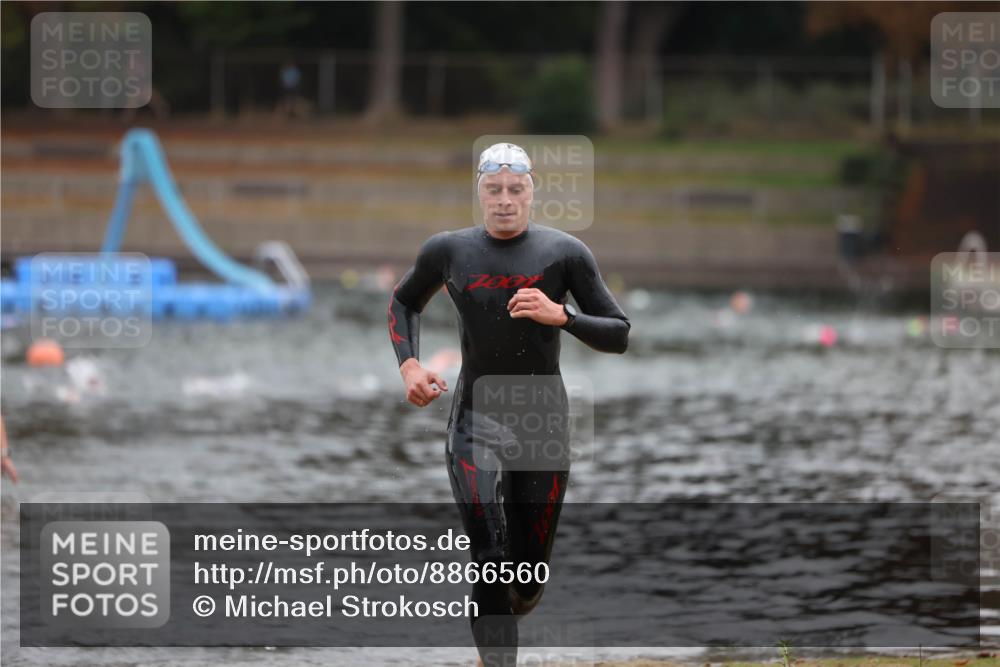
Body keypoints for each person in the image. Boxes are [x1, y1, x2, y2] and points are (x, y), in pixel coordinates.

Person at [388, 143, 630, 666]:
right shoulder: (448, 251)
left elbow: (619, 334)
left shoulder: (565, 254)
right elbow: (405, 300)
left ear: (532, 192)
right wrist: (409, 363)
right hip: (475, 420)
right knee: (489, 557)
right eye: (493, 190)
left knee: (525, 581)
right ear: (479, 193)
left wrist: (560, 315)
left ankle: (497, 625)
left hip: (542, 424)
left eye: (515, 190)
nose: (504, 200)